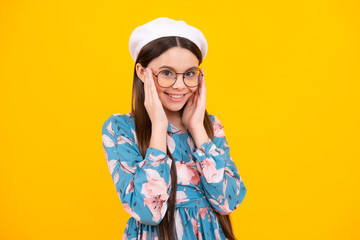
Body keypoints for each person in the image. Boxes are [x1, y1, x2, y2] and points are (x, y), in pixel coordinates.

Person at [101, 17, 247, 240]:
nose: (179, 85)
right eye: (167, 73)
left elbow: (229, 201)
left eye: (189, 74)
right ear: (142, 72)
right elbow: (148, 211)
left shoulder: (211, 127)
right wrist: (159, 127)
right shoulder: (120, 128)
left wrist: (197, 128)